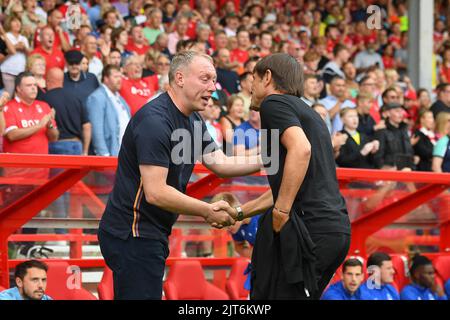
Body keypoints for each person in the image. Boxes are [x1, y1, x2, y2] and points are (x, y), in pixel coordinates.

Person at [97, 51, 263, 300]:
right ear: (180, 78)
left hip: (151, 231)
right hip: (133, 233)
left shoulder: (193, 120)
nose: (212, 88)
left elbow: (219, 162)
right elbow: (156, 192)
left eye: (214, 80)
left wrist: (273, 158)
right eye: (205, 79)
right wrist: (207, 210)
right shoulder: (155, 121)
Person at [238, 53, 351, 300]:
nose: (250, 88)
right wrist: (240, 213)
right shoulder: (310, 113)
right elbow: (290, 183)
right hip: (335, 230)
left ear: (267, 77)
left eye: (253, 80)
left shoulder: (273, 103)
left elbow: (301, 149)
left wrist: (281, 212)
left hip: (311, 228)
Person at [86, 65, 130, 157]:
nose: (119, 80)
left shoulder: (120, 98)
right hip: (110, 154)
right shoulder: (97, 97)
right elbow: (96, 129)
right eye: (115, 77)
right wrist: (104, 154)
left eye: (120, 76)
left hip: (123, 154)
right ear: (106, 79)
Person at [373, 102, 415, 170]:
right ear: (388, 113)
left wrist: (412, 167)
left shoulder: (404, 130)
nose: (400, 114)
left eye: (401, 111)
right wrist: (386, 169)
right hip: (389, 172)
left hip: (406, 171)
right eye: (397, 111)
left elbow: (409, 152)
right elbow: (378, 156)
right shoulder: (382, 131)